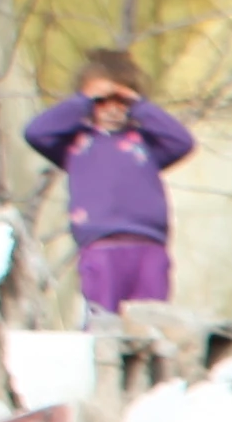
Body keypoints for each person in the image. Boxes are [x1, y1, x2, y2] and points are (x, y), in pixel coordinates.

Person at [20, 50, 193, 318]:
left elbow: (183, 142)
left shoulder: (144, 144)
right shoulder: (76, 145)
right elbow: (35, 133)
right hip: (100, 245)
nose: (113, 108)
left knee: (151, 322)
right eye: (103, 101)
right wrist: (82, 102)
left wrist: (140, 106)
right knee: (103, 320)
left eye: (121, 101)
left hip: (149, 244)